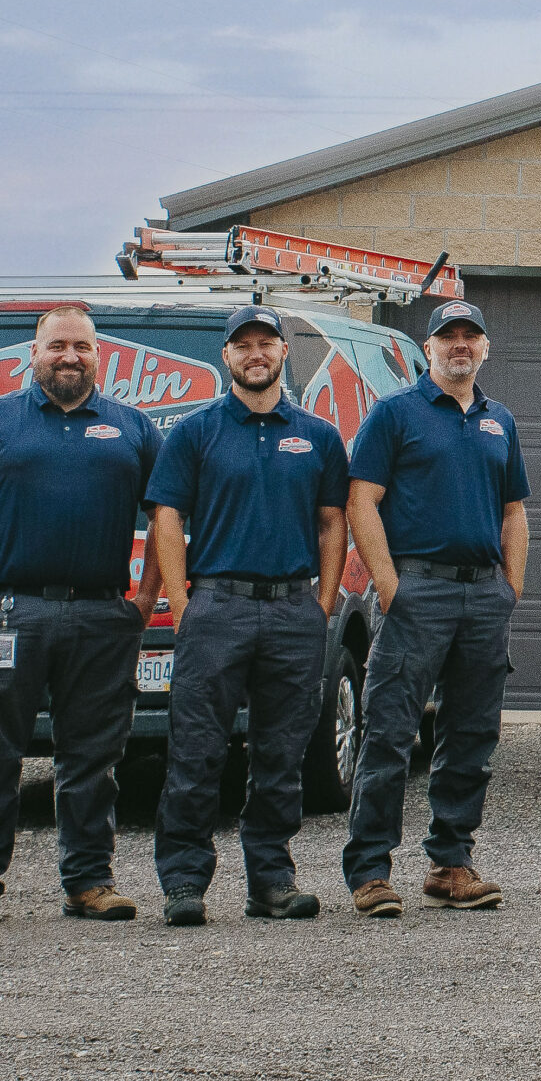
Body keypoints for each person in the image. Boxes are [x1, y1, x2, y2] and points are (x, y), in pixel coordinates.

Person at [0, 304, 164, 926]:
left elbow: (167, 515)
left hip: (100, 617)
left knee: (92, 758)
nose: (69, 357)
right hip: (9, 613)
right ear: (33, 353)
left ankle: (89, 882)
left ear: (99, 355)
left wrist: (145, 596)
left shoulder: (132, 429)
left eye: (81, 347)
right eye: (56, 345)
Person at [142, 305, 347, 926]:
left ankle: (272, 882)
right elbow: (167, 517)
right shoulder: (195, 432)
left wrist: (325, 602)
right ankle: (184, 882)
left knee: (282, 754)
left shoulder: (317, 435)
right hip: (217, 607)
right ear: (225, 357)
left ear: (285, 353)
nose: (255, 354)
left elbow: (333, 521)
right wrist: (181, 603)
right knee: (197, 750)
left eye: (266, 343)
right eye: (243, 345)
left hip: (293, 609)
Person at [341, 300, 527, 917]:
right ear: (429, 347)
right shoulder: (396, 414)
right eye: (448, 336)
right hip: (417, 590)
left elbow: (514, 512)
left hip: (482, 595)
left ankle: (451, 864)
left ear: (485, 348)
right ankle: (370, 870)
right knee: (391, 732)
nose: (460, 346)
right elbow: (361, 501)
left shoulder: (500, 420)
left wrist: (511, 589)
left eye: (470, 336)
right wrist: (391, 587)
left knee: (471, 735)